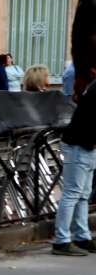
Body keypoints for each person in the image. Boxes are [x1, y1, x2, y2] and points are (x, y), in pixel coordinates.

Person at [51, 72, 96, 256]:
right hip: (78, 144)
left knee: (83, 194)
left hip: (85, 144)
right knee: (72, 193)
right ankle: (61, 241)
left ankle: (82, 236)